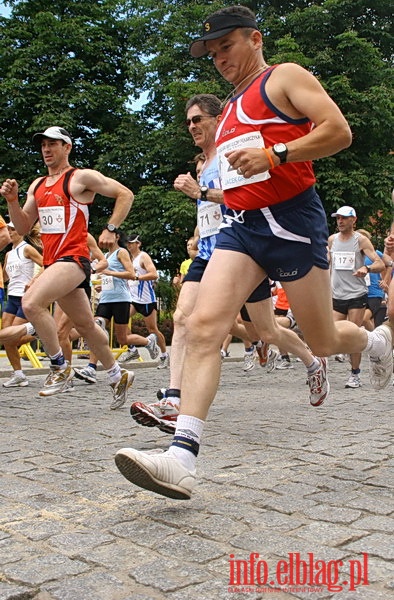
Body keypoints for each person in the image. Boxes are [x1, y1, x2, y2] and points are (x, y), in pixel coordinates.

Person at [0, 126, 135, 408]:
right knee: (86, 325)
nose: (46, 150)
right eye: (43, 145)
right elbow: (23, 227)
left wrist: (112, 227)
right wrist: (12, 202)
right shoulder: (37, 185)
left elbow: (125, 194)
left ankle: (59, 367)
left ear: (67, 147)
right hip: (53, 262)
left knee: (31, 302)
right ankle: (116, 374)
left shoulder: (79, 178)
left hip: (73, 260)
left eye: (53, 144)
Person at [74, 229, 159, 385]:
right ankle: (91, 368)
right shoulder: (105, 257)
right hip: (106, 299)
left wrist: (110, 273)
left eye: (109, 235)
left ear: (117, 237)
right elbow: (107, 277)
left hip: (121, 299)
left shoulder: (122, 253)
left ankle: (148, 342)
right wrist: (102, 285)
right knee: (96, 330)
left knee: (122, 338)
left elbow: (131, 274)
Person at [328, 206, 384, 388]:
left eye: (344, 218)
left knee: (352, 334)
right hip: (337, 294)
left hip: (356, 295)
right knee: (331, 333)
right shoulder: (332, 240)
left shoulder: (361, 240)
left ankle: (355, 375)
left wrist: (366, 268)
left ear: (354, 220)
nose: (340, 221)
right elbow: (328, 264)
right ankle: (373, 343)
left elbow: (379, 263)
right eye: (338, 218)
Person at [2, 221, 43, 387]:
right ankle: (18, 374)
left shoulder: (27, 248)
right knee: (6, 337)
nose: (10, 232)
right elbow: (4, 277)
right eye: (9, 229)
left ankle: (40, 333)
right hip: (11, 297)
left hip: (24, 298)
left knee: (12, 337)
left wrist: (34, 281)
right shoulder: (8, 254)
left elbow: (46, 264)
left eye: (13, 229)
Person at [120, 233, 169, 368]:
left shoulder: (143, 256)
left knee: (153, 329)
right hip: (132, 299)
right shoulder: (128, 259)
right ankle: (132, 349)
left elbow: (154, 274)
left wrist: (137, 278)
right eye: (127, 243)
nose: (128, 245)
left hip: (146, 299)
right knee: (121, 321)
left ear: (138, 244)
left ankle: (164, 355)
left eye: (131, 243)